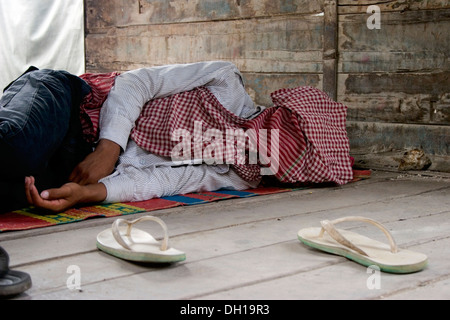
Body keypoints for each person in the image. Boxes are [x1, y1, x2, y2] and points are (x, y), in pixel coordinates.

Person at [9, 61, 264, 213]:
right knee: (17, 149)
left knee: (17, 195)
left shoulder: (243, 174)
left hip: (78, 166)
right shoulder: (226, 82)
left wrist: (86, 194)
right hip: (70, 103)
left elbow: (162, 181)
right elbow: (136, 82)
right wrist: (108, 150)